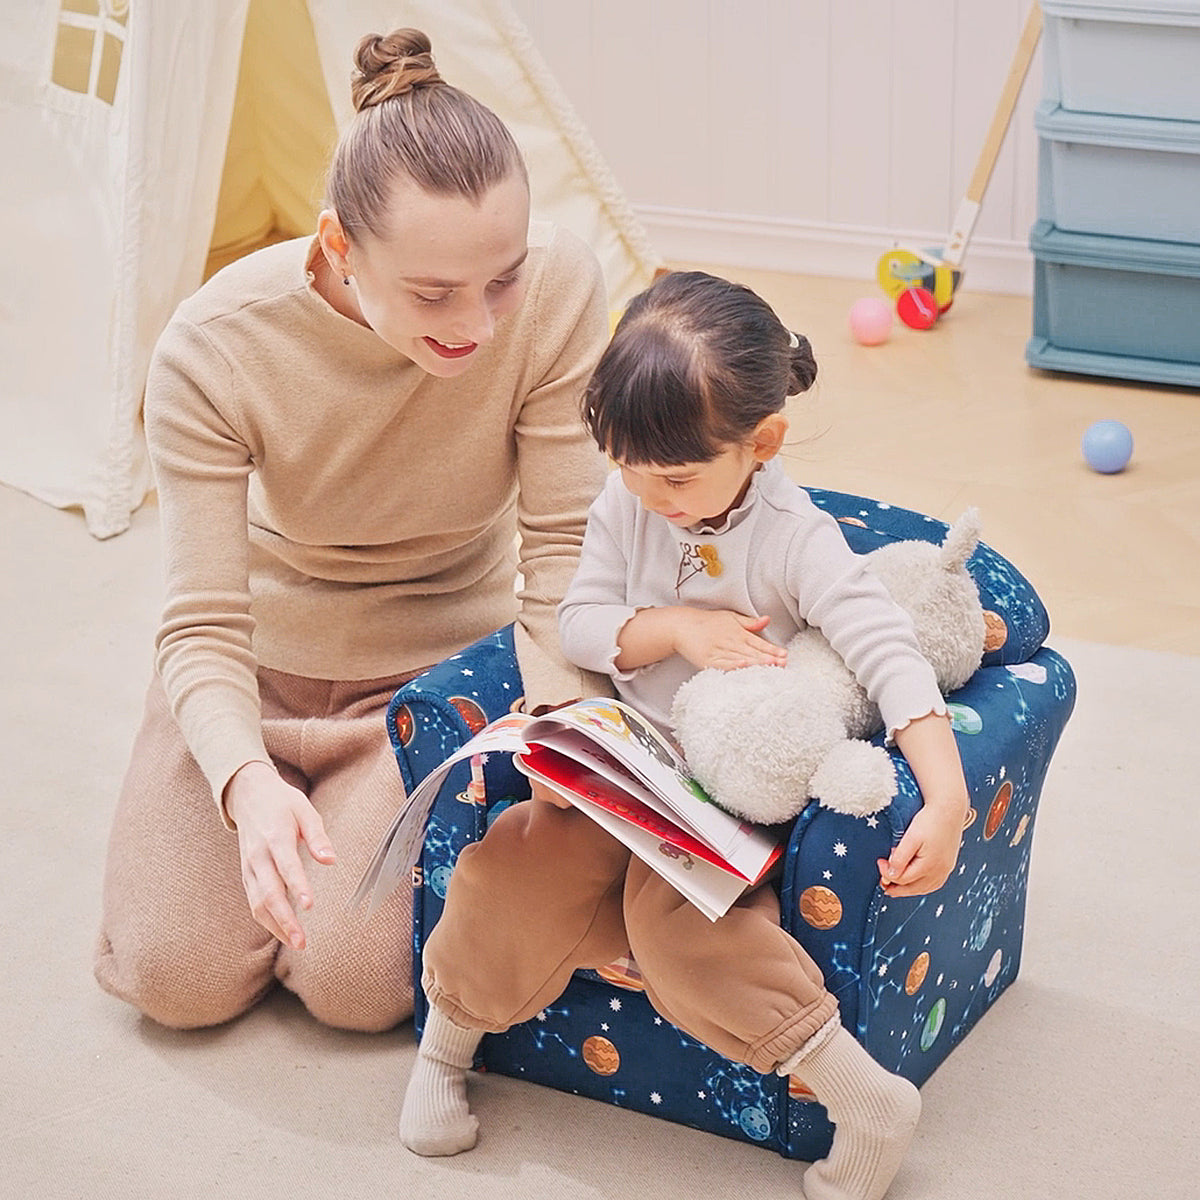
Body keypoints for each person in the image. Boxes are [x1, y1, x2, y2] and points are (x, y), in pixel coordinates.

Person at [400, 271, 970, 1200]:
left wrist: (944, 798)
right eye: (627, 466)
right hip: (626, 771)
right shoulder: (628, 503)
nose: (650, 495)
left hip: (729, 793)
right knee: (515, 866)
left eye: (676, 477)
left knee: (681, 934)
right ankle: (444, 1046)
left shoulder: (796, 538)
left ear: (763, 444)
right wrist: (672, 629)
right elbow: (577, 620)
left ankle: (864, 1100)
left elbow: (891, 655)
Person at [93, 28, 613, 1034]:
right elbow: (200, 624)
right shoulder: (212, 346)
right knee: (173, 980)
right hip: (253, 668)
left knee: (357, 989)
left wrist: (566, 754)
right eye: (433, 293)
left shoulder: (557, 288)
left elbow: (560, 554)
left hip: (419, 683)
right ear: (338, 247)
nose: (482, 322)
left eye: (501, 276)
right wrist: (245, 784)